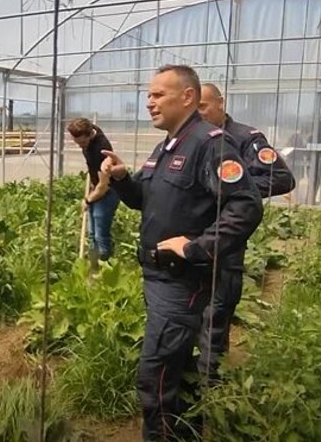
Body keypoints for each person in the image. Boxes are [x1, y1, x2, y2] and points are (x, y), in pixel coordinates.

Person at [101, 65, 263, 441]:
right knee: (176, 369)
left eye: (158, 95)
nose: (149, 102)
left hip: (181, 282)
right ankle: (189, 431)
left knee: (154, 375)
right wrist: (124, 179)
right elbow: (146, 199)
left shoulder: (210, 144)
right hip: (158, 279)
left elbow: (246, 205)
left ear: (187, 96)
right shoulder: (167, 146)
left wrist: (196, 247)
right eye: (149, 95)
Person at [197, 83, 295, 380]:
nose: (198, 113)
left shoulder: (245, 138)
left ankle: (212, 384)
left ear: (220, 103)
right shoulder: (194, 140)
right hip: (194, 239)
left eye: (203, 106)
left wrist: (234, 189)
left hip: (227, 238)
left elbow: (281, 178)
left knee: (217, 313)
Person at [67, 117, 120, 265]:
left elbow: (104, 186)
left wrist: (88, 200)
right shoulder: (90, 129)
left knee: (100, 234)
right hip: (96, 187)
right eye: (77, 143)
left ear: (90, 135)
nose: (81, 147)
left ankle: (105, 268)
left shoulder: (101, 151)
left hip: (109, 192)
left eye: (83, 143)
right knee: (91, 233)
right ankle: (92, 266)